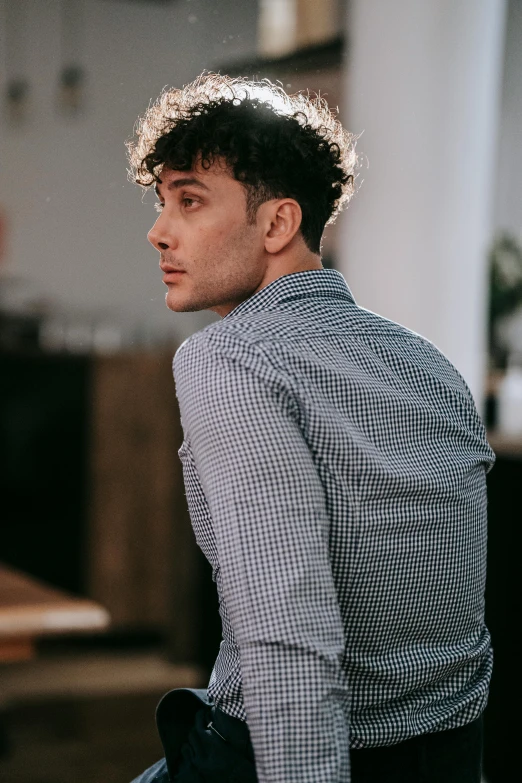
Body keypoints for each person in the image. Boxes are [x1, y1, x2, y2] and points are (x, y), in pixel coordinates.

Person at [127, 73, 494, 783]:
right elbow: (458, 632)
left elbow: (286, 630)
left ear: (277, 224)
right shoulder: (427, 362)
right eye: (162, 200)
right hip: (446, 756)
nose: (158, 230)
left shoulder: (229, 357)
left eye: (190, 199)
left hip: (292, 756)